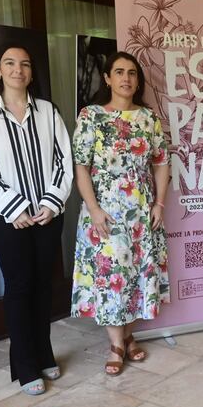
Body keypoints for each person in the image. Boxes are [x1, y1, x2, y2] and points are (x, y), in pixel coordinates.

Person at [0, 42, 73, 395]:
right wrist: (14, 208)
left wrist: (51, 203)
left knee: (44, 286)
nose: (18, 70)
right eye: (9, 63)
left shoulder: (47, 111)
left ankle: (44, 354)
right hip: (6, 218)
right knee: (19, 288)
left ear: (31, 72)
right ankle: (25, 366)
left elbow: (64, 161)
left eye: (25, 64)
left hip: (46, 215)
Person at [71, 51, 170, 376]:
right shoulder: (91, 116)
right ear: (108, 78)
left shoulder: (149, 118)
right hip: (105, 215)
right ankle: (116, 344)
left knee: (136, 276)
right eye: (119, 72)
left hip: (141, 214)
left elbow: (161, 162)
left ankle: (128, 337)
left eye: (132, 73)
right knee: (111, 278)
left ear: (137, 80)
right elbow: (81, 166)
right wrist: (94, 209)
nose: (126, 78)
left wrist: (159, 204)